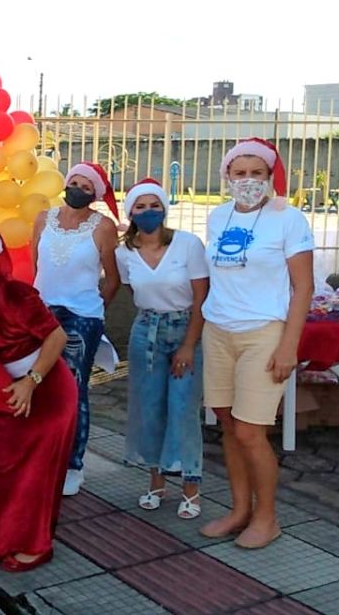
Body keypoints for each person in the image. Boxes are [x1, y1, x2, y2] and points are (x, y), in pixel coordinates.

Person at [200, 139, 313, 549]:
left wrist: (289, 346)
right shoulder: (218, 216)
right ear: (226, 176)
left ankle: (268, 518)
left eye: (257, 173)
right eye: (239, 173)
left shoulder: (288, 219)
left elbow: (304, 287)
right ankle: (239, 510)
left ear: (269, 177)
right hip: (219, 330)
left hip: (263, 332)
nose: (248, 181)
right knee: (229, 426)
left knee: (251, 431)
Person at [0, 218, 77, 572]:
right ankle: (1, 538)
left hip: (47, 387)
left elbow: (57, 337)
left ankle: (36, 544)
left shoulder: (18, 294)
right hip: (7, 393)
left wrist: (32, 380)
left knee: (35, 470)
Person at [115, 179, 209, 519]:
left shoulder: (187, 245)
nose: (148, 212)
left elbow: (202, 297)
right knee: (149, 407)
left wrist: (188, 344)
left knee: (183, 408)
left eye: (155, 205)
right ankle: (155, 483)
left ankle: (191, 489)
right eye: (140, 207)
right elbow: (133, 291)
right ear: (131, 213)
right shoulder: (123, 252)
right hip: (146, 331)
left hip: (186, 326)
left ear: (165, 210)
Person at [32, 161, 121, 496]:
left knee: (73, 387)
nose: (78, 190)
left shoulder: (103, 226)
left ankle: (72, 464)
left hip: (81, 315)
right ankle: (43, 456)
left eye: (87, 187)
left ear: (95, 194)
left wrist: (94, 312)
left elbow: (112, 278)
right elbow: (36, 264)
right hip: (43, 311)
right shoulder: (44, 218)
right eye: (75, 183)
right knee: (39, 383)